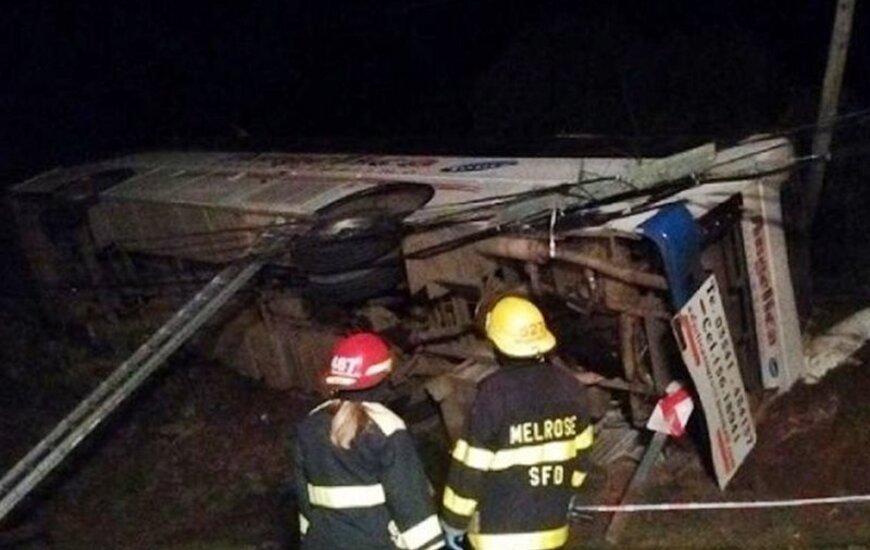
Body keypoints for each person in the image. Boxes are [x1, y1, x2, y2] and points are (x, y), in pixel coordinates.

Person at [441, 296, 594, 550]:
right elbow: (582, 455)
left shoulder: (493, 393)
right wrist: (569, 493)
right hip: (552, 530)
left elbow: (469, 467)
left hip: (497, 534)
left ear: (497, 344)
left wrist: (454, 522)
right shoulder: (571, 387)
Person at [292, 332, 445, 550]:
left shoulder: (310, 425)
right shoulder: (386, 427)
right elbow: (410, 502)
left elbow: (304, 499)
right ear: (383, 376)